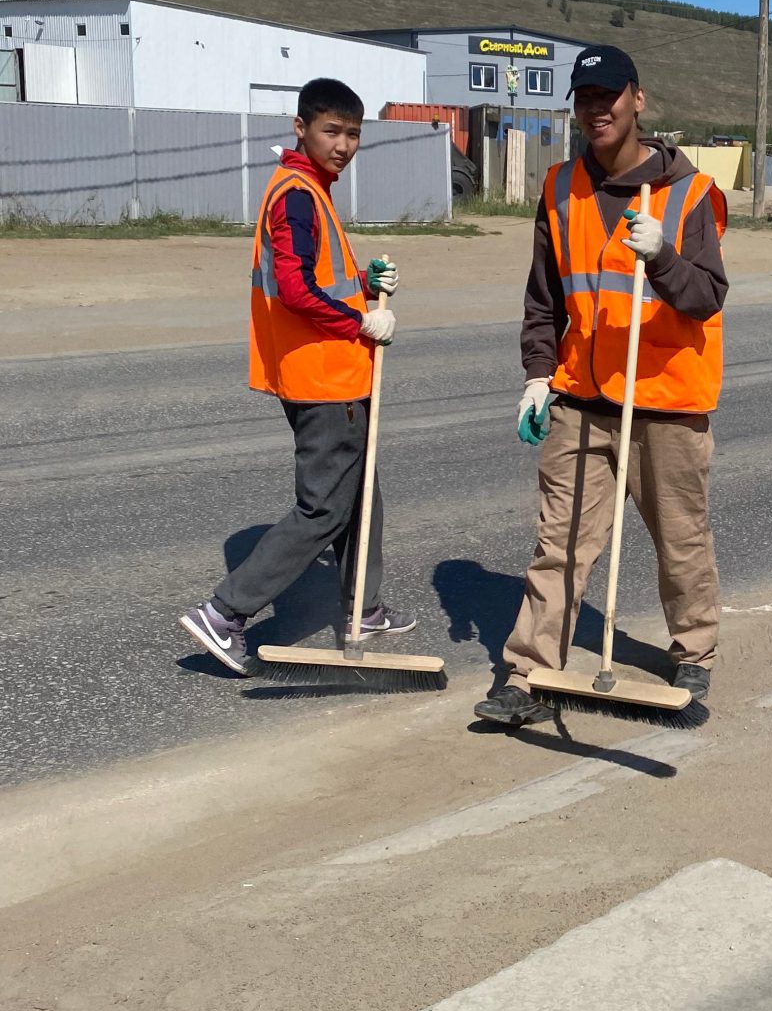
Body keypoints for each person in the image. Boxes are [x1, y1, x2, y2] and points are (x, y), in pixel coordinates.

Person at [476, 44, 728, 729]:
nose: (597, 110)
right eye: (584, 100)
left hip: (667, 402)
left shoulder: (691, 194)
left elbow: (707, 298)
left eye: (609, 97)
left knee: (680, 540)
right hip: (582, 401)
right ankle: (527, 672)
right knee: (557, 543)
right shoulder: (559, 188)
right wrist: (535, 373)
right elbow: (543, 299)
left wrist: (666, 258)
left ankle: (694, 652)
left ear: (637, 100)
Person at [178, 76, 414, 673]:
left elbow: (321, 276)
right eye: (331, 130)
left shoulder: (311, 188)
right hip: (323, 377)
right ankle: (225, 612)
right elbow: (296, 289)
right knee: (325, 508)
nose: (343, 144)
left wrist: (365, 285)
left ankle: (364, 606)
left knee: (362, 498)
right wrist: (361, 322)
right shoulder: (298, 193)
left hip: (334, 372)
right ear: (301, 128)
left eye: (354, 134)